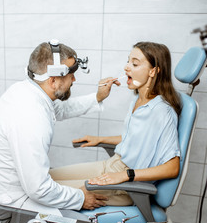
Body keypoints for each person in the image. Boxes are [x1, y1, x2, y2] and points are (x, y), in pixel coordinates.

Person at [0, 41, 120, 214]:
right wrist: (81, 198)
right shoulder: (30, 116)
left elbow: (62, 109)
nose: (74, 79)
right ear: (53, 80)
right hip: (2, 203)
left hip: (9, 186)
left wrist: (98, 97)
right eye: (71, 74)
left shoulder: (27, 90)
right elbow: (38, 189)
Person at [50, 41, 181, 206]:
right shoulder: (138, 99)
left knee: (48, 189)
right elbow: (136, 139)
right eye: (128, 61)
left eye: (134, 64)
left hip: (127, 186)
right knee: (47, 177)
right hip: (112, 165)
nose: (126, 67)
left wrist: (126, 175)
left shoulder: (162, 111)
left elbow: (172, 167)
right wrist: (100, 139)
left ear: (153, 71)